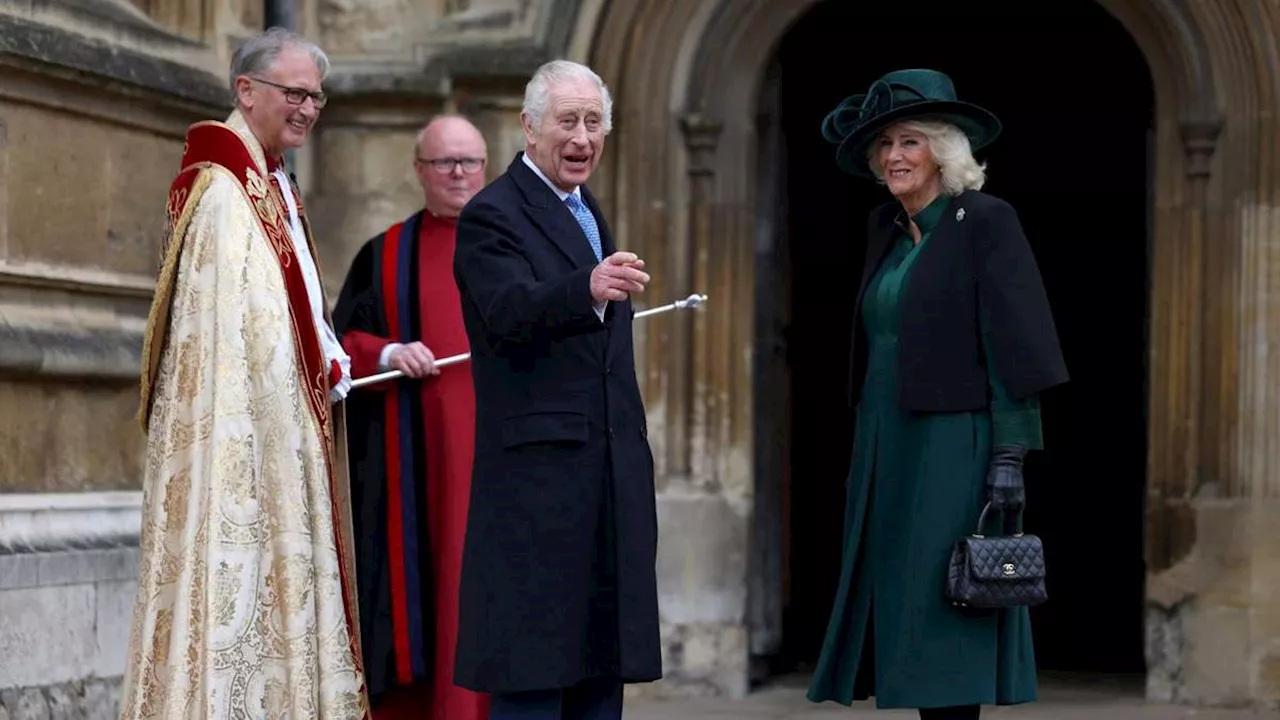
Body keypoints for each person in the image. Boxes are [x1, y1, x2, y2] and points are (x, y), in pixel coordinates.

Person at [805, 69, 1069, 720]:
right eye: (886, 144)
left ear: (943, 153)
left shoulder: (984, 221)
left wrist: (1010, 455)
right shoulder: (885, 230)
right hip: (885, 442)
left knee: (949, 605)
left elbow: (1016, 344)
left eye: (910, 141)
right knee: (899, 601)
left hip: (954, 444)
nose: (894, 156)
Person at [123, 27, 368, 719]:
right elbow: (236, 336)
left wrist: (328, 354)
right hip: (247, 452)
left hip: (285, 439)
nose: (308, 108)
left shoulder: (271, 181)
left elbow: (289, 315)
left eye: (316, 95)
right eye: (294, 93)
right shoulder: (227, 198)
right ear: (246, 90)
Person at [450, 59, 661, 720]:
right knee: (535, 679)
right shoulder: (492, 214)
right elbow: (506, 311)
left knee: (600, 673)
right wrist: (586, 288)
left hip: (604, 479)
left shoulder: (583, 208)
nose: (582, 137)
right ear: (530, 127)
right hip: (538, 489)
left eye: (594, 122)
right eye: (567, 121)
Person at [331, 114, 491, 720]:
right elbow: (339, 341)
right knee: (429, 596)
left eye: (469, 161)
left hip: (505, 462)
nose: (458, 174)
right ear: (420, 171)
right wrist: (391, 352)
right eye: (444, 162)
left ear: (487, 167)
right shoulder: (385, 255)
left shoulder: (520, 250)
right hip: (415, 470)